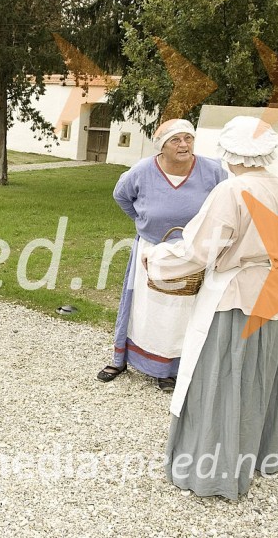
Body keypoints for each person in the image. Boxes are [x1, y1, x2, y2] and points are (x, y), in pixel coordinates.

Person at [144, 116, 278, 500]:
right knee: (258, 380)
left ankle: (212, 472)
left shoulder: (232, 191)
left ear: (229, 150)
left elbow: (199, 249)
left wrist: (155, 259)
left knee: (221, 381)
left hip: (235, 299)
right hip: (276, 298)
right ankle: (254, 458)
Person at [97, 119, 228, 391]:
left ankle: (170, 368)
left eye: (188, 138)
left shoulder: (213, 171)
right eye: (176, 140)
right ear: (162, 147)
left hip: (192, 253)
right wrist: (143, 221)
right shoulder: (142, 171)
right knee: (143, 310)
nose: (184, 145)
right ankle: (123, 359)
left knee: (181, 313)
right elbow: (122, 196)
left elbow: (225, 202)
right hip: (152, 250)